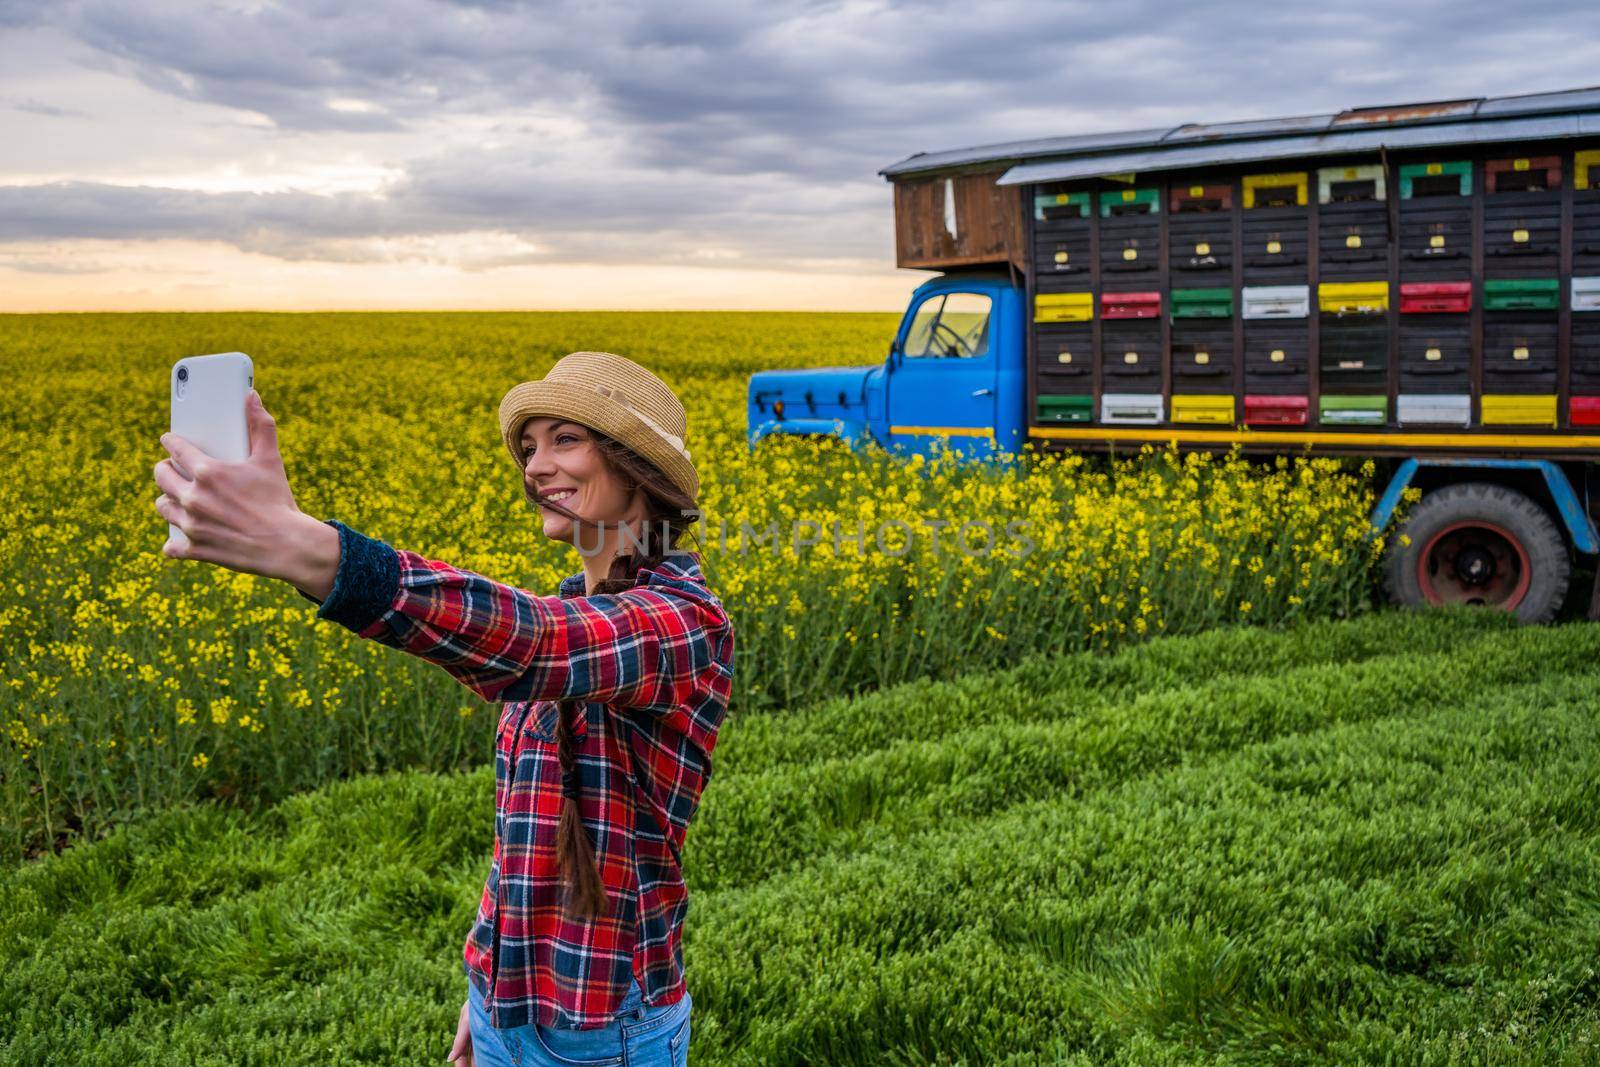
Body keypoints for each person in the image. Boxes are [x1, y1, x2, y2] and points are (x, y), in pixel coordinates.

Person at [153, 351, 733, 1067]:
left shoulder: (684, 623)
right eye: (529, 447)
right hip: (507, 1011)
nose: (536, 465)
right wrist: (487, 986)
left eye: (565, 439)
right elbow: (522, 833)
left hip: (606, 1031)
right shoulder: (570, 605)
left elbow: (533, 643)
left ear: (635, 465)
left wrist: (307, 549)